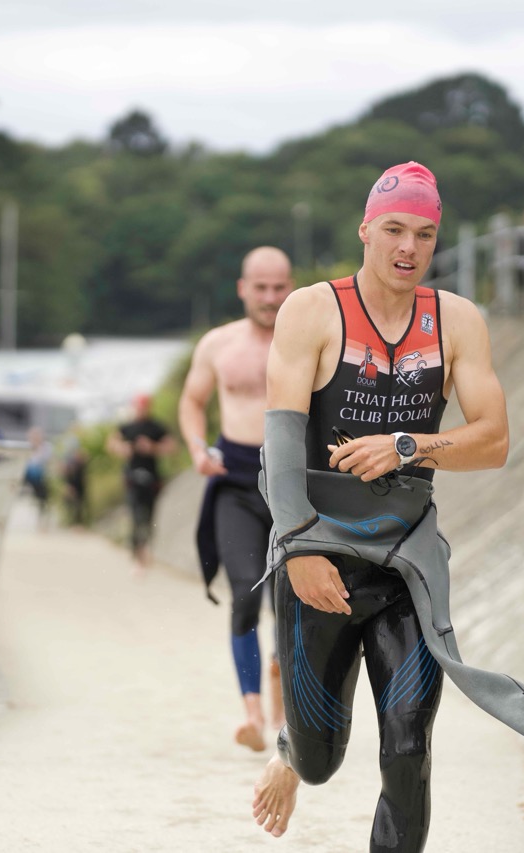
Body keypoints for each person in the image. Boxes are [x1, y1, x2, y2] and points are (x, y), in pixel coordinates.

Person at [252, 161, 524, 850]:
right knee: (321, 760)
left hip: (404, 566)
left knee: (409, 748)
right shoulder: (313, 310)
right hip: (319, 555)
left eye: (425, 234)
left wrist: (406, 447)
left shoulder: (456, 320)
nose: (409, 247)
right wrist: (298, 550)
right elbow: (280, 449)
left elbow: (494, 442)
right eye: (394, 230)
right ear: (365, 230)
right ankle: (293, 751)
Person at [179, 246, 294, 753]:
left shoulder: (307, 339)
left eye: (278, 287)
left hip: (291, 482)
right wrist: (196, 448)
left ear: (290, 287)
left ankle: (281, 694)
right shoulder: (218, 344)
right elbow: (192, 400)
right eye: (260, 287)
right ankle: (252, 713)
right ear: (243, 288)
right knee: (245, 591)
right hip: (233, 481)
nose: (270, 297)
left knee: (291, 600)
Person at [106, 394, 174, 568]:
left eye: (144, 406)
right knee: (135, 514)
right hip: (132, 478)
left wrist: (152, 447)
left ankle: (146, 548)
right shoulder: (127, 427)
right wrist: (122, 448)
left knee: (150, 516)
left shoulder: (156, 427)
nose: (141, 409)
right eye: (138, 406)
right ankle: (136, 551)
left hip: (152, 479)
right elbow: (111, 443)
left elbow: (171, 446)